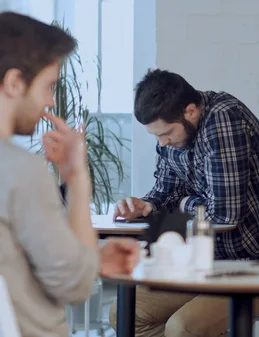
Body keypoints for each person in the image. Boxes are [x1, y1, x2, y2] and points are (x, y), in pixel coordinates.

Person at [109, 69, 259, 336]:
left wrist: (182, 204)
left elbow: (224, 216)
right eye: (156, 136)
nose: (162, 142)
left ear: (190, 111)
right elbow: (164, 192)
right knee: (126, 315)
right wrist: (145, 205)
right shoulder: (176, 138)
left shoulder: (224, 119)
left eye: (167, 132)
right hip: (213, 266)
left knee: (182, 328)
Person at [0, 11, 140, 337]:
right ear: (13, 82)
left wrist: (93, 258)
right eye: (49, 86)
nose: (50, 101)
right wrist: (77, 179)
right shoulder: (22, 169)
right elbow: (75, 285)